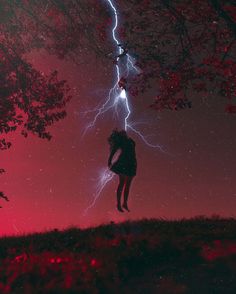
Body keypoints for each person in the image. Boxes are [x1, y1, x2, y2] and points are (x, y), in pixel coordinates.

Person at [107, 129, 137, 212]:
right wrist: (109, 160)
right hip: (123, 163)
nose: (125, 133)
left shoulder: (131, 141)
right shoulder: (120, 142)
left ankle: (125, 203)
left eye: (125, 133)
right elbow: (113, 151)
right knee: (122, 183)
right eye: (122, 133)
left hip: (132, 163)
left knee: (128, 185)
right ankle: (118, 204)